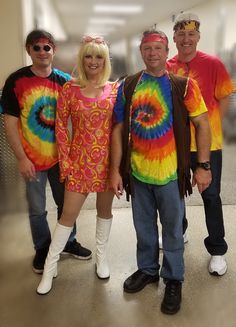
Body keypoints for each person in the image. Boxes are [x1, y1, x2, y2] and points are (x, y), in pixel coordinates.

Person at [109, 29, 212, 314]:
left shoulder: (183, 86)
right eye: (147, 48)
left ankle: (174, 278)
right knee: (143, 228)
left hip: (169, 174)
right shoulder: (128, 85)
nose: (152, 53)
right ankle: (148, 269)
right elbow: (118, 128)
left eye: (158, 48)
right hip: (137, 174)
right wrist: (116, 170)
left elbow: (203, 124)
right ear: (141, 52)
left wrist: (203, 166)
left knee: (173, 230)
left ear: (167, 53)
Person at [1, 29, 92, 274]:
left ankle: (68, 242)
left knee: (66, 204)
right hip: (31, 159)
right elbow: (10, 123)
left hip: (62, 159)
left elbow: (88, 102)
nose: (42, 52)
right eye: (36, 47)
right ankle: (42, 248)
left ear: (54, 50)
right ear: (28, 50)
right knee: (37, 209)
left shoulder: (64, 81)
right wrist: (21, 158)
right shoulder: (16, 81)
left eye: (46, 47)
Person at [37, 35, 119, 295]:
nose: (93, 61)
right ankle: (50, 267)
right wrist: (66, 162)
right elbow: (60, 128)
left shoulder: (115, 90)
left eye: (98, 56)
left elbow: (119, 129)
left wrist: (119, 166)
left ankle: (101, 257)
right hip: (80, 162)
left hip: (107, 163)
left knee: (104, 211)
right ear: (81, 59)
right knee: (67, 216)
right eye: (88, 55)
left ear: (105, 60)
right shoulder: (69, 89)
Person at [167, 12, 235, 276]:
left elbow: (226, 97)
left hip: (209, 145)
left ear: (198, 36)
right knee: (175, 195)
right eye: (181, 34)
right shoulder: (168, 65)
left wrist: (215, 125)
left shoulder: (213, 64)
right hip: (175, 145)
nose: (186, 39)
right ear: (174, 37)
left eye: (191, 34)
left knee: (211, 196)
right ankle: (180, 232)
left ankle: (217, 250)